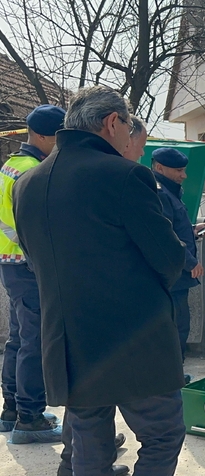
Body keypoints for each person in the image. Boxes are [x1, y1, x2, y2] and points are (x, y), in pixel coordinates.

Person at [13, 85, 187, 475]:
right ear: (112, 122)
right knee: (162, 435)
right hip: (132, 340)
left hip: (66, 343)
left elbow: (33, 257)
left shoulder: (27, 184)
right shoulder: (125, 176)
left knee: (89, 449)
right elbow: (169, 258)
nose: (130, 137)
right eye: (128, 126)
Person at [0, 105, 64, 444]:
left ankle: (11, 409)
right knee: (35, 342)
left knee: (19, 338)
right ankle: (30, 417)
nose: (61, 144)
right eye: (58, 137)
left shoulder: (12, 164)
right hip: (27, 265)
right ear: (40, 136)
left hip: (10, 264)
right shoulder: (31, 171)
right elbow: (36, 227)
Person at [152, 148, 205, 369]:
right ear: (160, 168)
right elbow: (164, 236)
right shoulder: (160, 193)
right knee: (176, 330)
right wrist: (190, 262)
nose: (183, 175)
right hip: (173, 276)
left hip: (176, 275)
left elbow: (175, 227)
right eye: (178, 170)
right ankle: (172, 379)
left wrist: (194, 230)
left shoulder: (170, 191)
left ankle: (174, 376)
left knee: (179, 329)